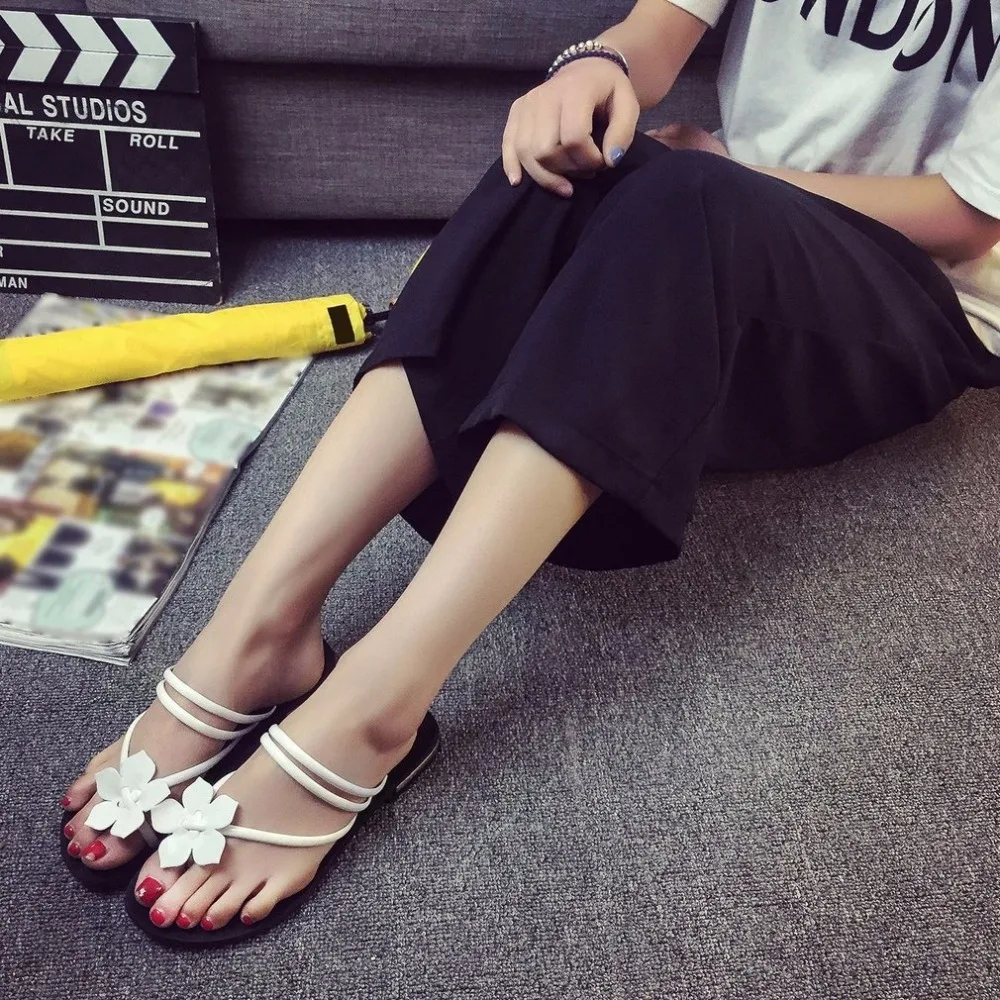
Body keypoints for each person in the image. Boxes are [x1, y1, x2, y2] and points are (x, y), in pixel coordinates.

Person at [58, 0, 1000, 944]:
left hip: (919, 298)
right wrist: (597, 70)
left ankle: (376, 707)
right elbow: (655, 33)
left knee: (686, 192)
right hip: (706, 227)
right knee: (561, 166)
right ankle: (257, 631)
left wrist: (729, 175)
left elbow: (966, 221)